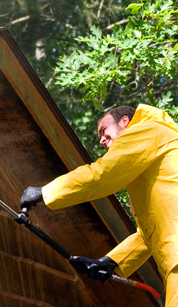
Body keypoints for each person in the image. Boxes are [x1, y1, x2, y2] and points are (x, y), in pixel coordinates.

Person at [20, 104, 178, 306]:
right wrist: (113, 261)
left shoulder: (147, 130)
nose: (102, 139)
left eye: (104, 130)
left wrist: (45, 192)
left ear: (125, 121)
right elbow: (151, 233)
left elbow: (103, 174)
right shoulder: (155, 154)